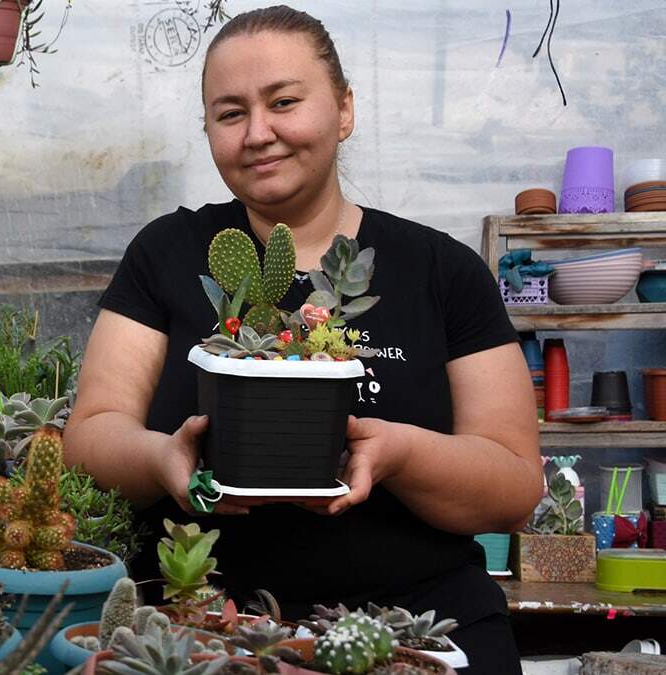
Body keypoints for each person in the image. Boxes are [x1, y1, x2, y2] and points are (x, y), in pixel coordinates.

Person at [62, 6, 541, 673]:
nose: (259, 133)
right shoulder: (166, 253)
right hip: (200, 624)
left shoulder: (440, 270)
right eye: (230, 114)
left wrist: (398, 452)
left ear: (344, 110)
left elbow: (516, 483)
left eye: (284, 102)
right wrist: (165, 460)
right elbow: (90, 434)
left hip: (419, 627)